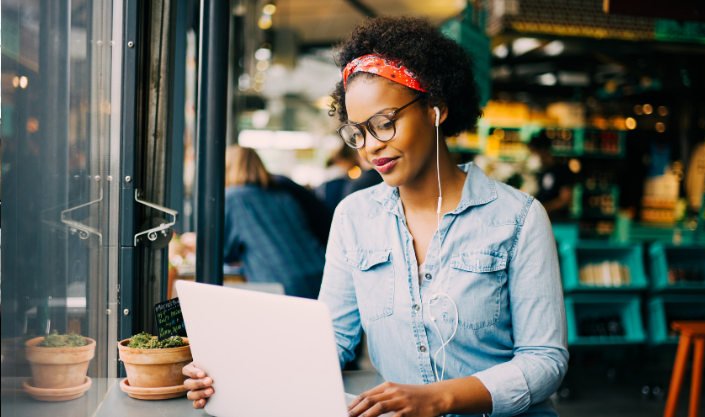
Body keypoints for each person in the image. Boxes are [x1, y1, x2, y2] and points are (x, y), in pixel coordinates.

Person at [185, 17, 568, 417]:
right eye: (357, 132)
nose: (370, 147)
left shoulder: (519, 218)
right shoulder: (355, 217)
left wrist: (438, 398)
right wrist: (235, 374)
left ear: (435, 110)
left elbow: (545, 361)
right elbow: (330, 338)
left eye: (384, 124)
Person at [222, 145, 326, 299]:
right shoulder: (284, 196)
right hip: (319, 275)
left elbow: (225, 253)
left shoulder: (233, 198)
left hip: (281, 286)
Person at [527, 133, 574, 222]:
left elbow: (565, 199)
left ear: (543, 150)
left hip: (558, 222)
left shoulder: (562, 170)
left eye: (533, 152)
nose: (532, 156)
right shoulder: (539, 172)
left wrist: (542, 208)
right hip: (541, 219)